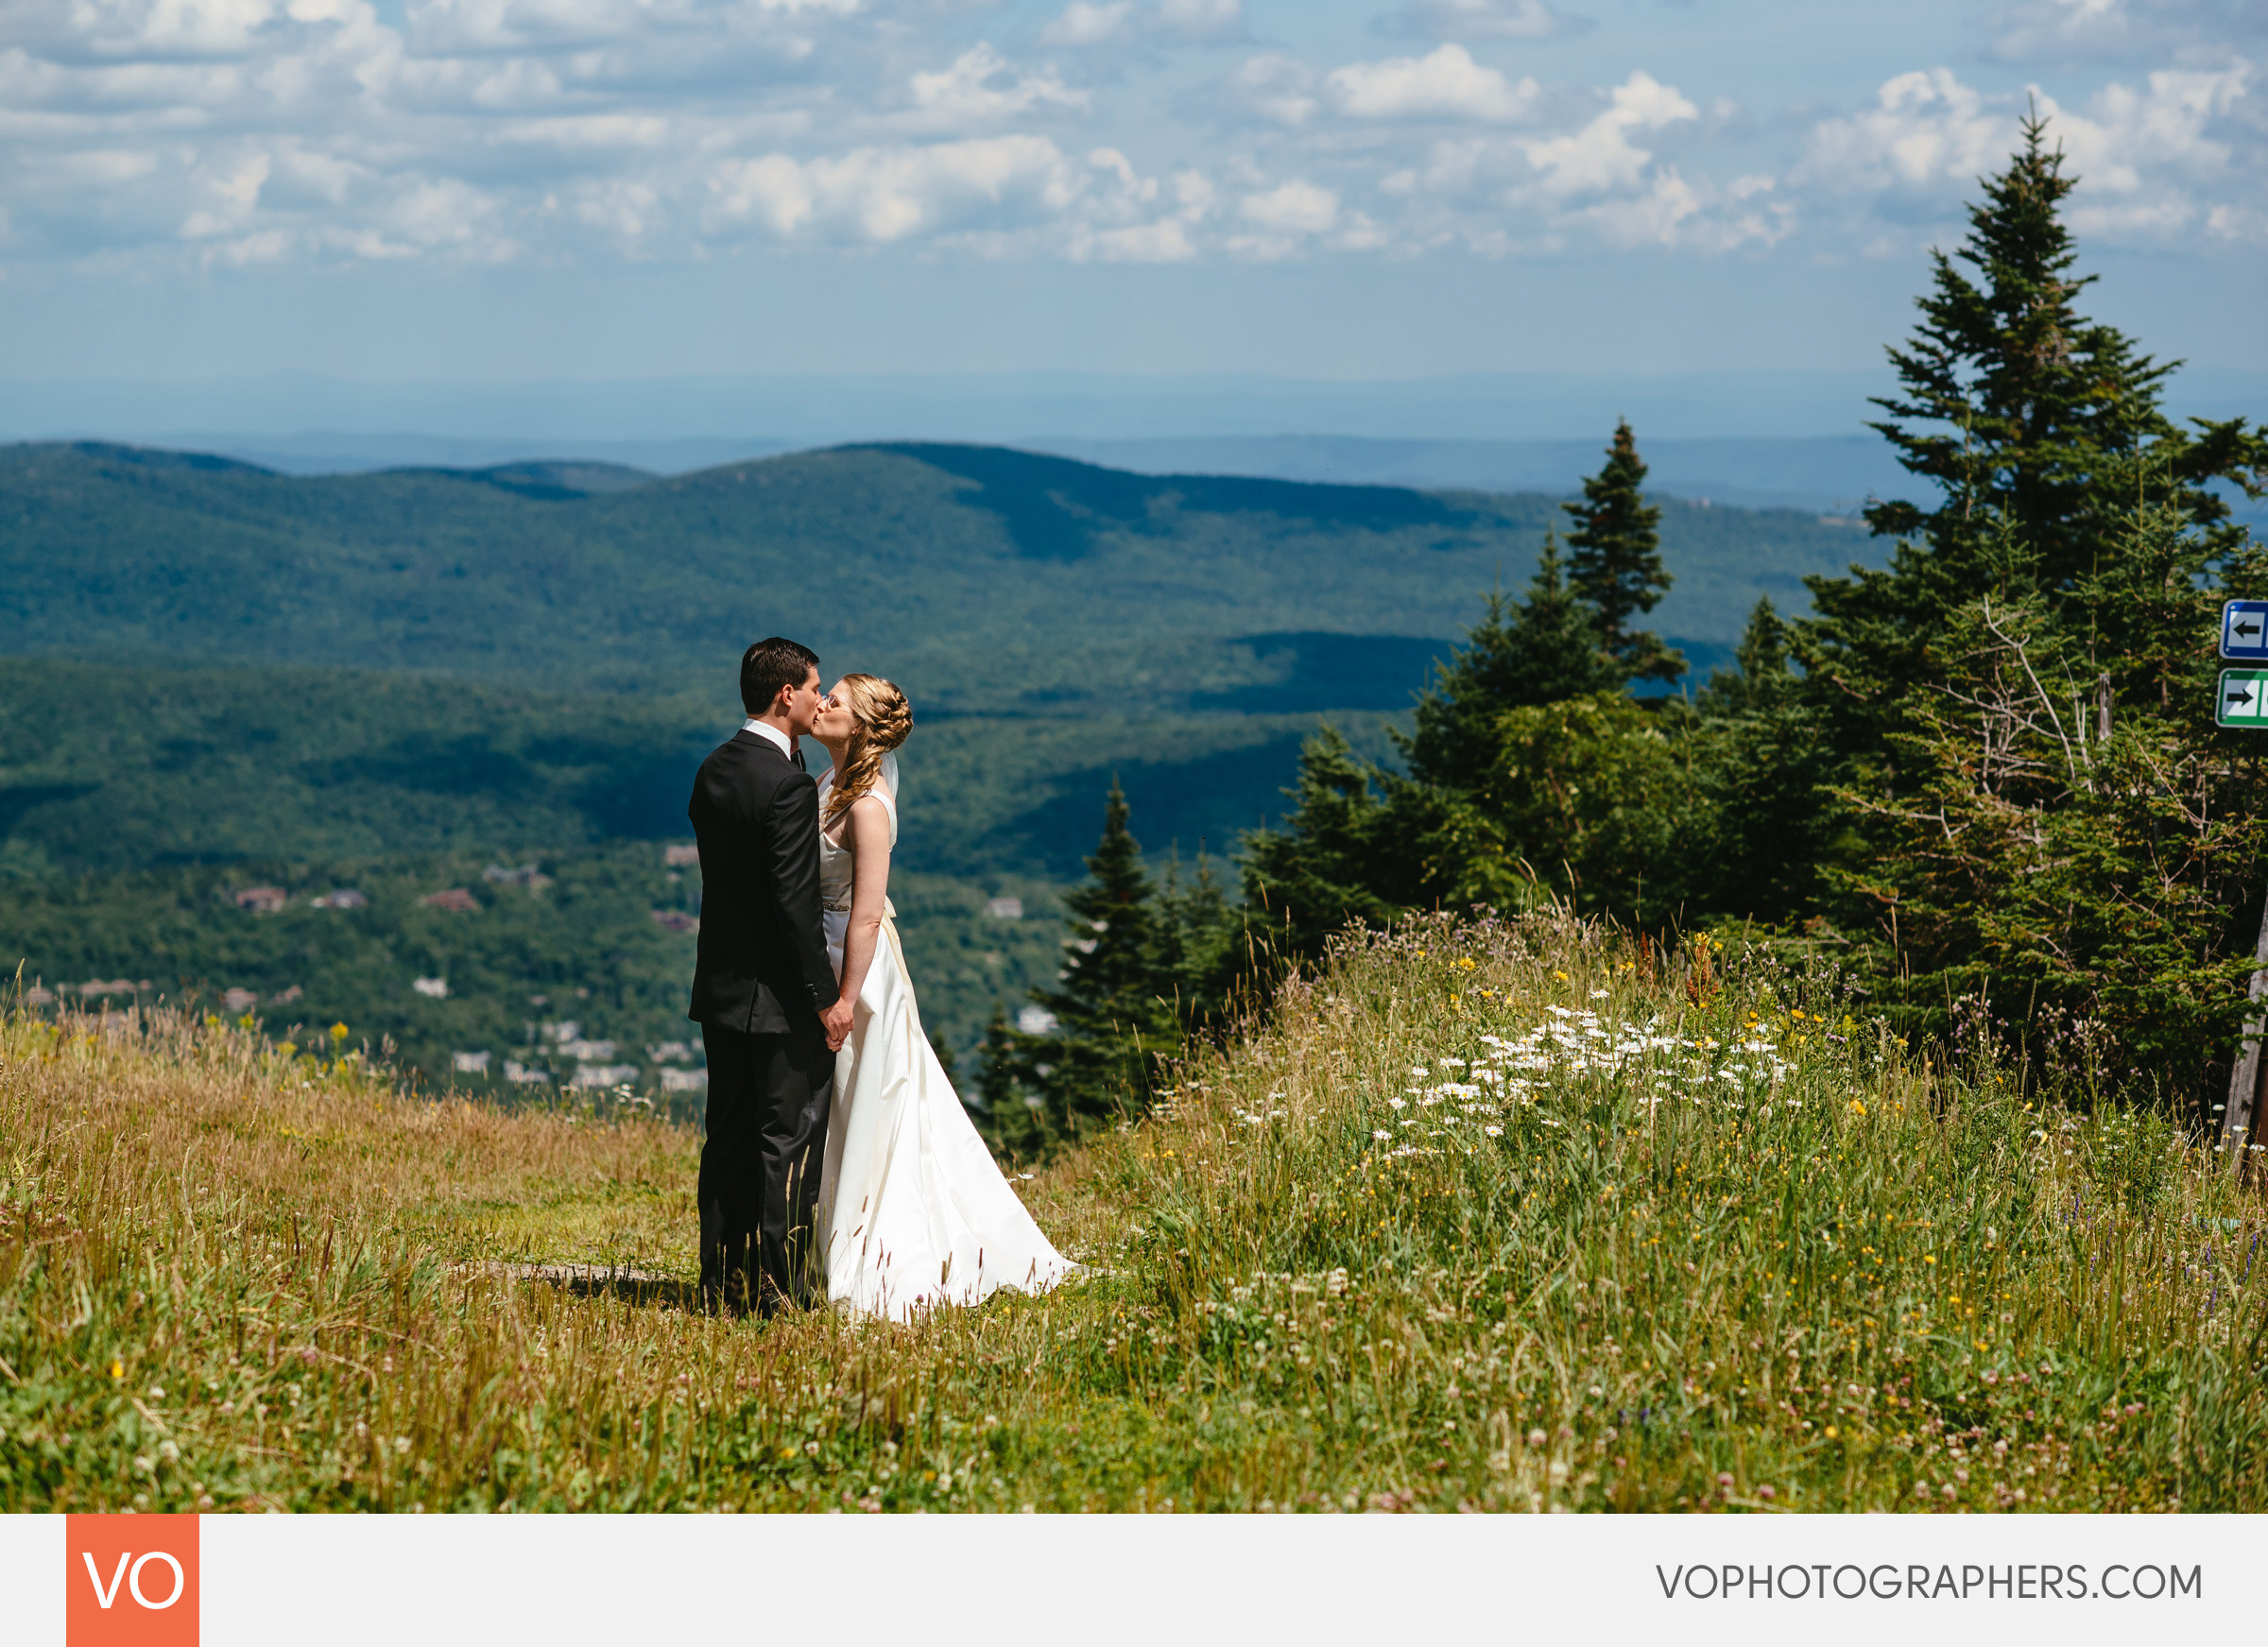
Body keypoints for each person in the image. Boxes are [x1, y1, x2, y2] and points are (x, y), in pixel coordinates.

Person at [809, 673, 1077, 1320]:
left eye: (835, 700)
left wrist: (847, 998)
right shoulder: (827, 783)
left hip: (860, 973)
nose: (821, 704)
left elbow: (867, 916)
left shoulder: (867, 805)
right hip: (824, 955)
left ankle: (877, 1250)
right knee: (842, 1110)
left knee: (874, 1104)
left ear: (862, 727)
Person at [685, 638, 855, 1316]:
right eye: (815, 687)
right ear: (786, 694)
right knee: (782, 1143)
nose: (820, 698)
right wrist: (827, 999)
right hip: (779, 1000)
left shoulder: (713, 768)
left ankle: (718, 1283)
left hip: (721, 989)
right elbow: (793, 906)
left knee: (725, 1136)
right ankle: (774, 1289)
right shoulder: (785, 784)